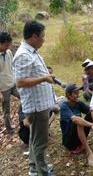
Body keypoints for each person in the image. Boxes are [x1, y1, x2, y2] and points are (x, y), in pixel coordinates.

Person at [13, 20, 55, 176]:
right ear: (34, 36)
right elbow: (20, 82)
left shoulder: (32, 51)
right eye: (42, 36)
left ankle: (34, 166)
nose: (44, 39)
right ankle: (42, 172)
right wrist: (44, 79)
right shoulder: (23, 55)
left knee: (34, 138)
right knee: (40, 142)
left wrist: (46, 77)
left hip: (40, 105)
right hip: (36, 108)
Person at [0, 31, 20, 134]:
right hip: (3, 88)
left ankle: (24, 120)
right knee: (6, 111)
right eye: (6, 44)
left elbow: (13, 66)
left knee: (25, 97)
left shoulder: (8, 52)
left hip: (13, 84)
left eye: (9, 44)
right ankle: (9, 129)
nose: (8, 46)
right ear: (1, 43)